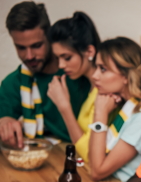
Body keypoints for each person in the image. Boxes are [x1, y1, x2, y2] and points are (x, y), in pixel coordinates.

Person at [0, 1, 90, 147]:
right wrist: (0, 124)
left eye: (36, 46)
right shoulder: (18, 81)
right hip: (49, 155)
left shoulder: (77, 72)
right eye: (21, 47)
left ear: (49, 37)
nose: (29, 56)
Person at [87, 37, 141, 182]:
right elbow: (92, 158)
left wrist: (100, 116)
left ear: (125, 76)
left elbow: (97, 171)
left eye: (103, 69)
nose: (94, 75)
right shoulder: (124, 105)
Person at [47, 11, 101, 162]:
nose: (61, 65)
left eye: (67, 57)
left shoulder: (105, 91)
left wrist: (64, 107)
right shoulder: (90, 87)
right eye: (58, 58)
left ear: (90, 51)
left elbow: (91, 154)